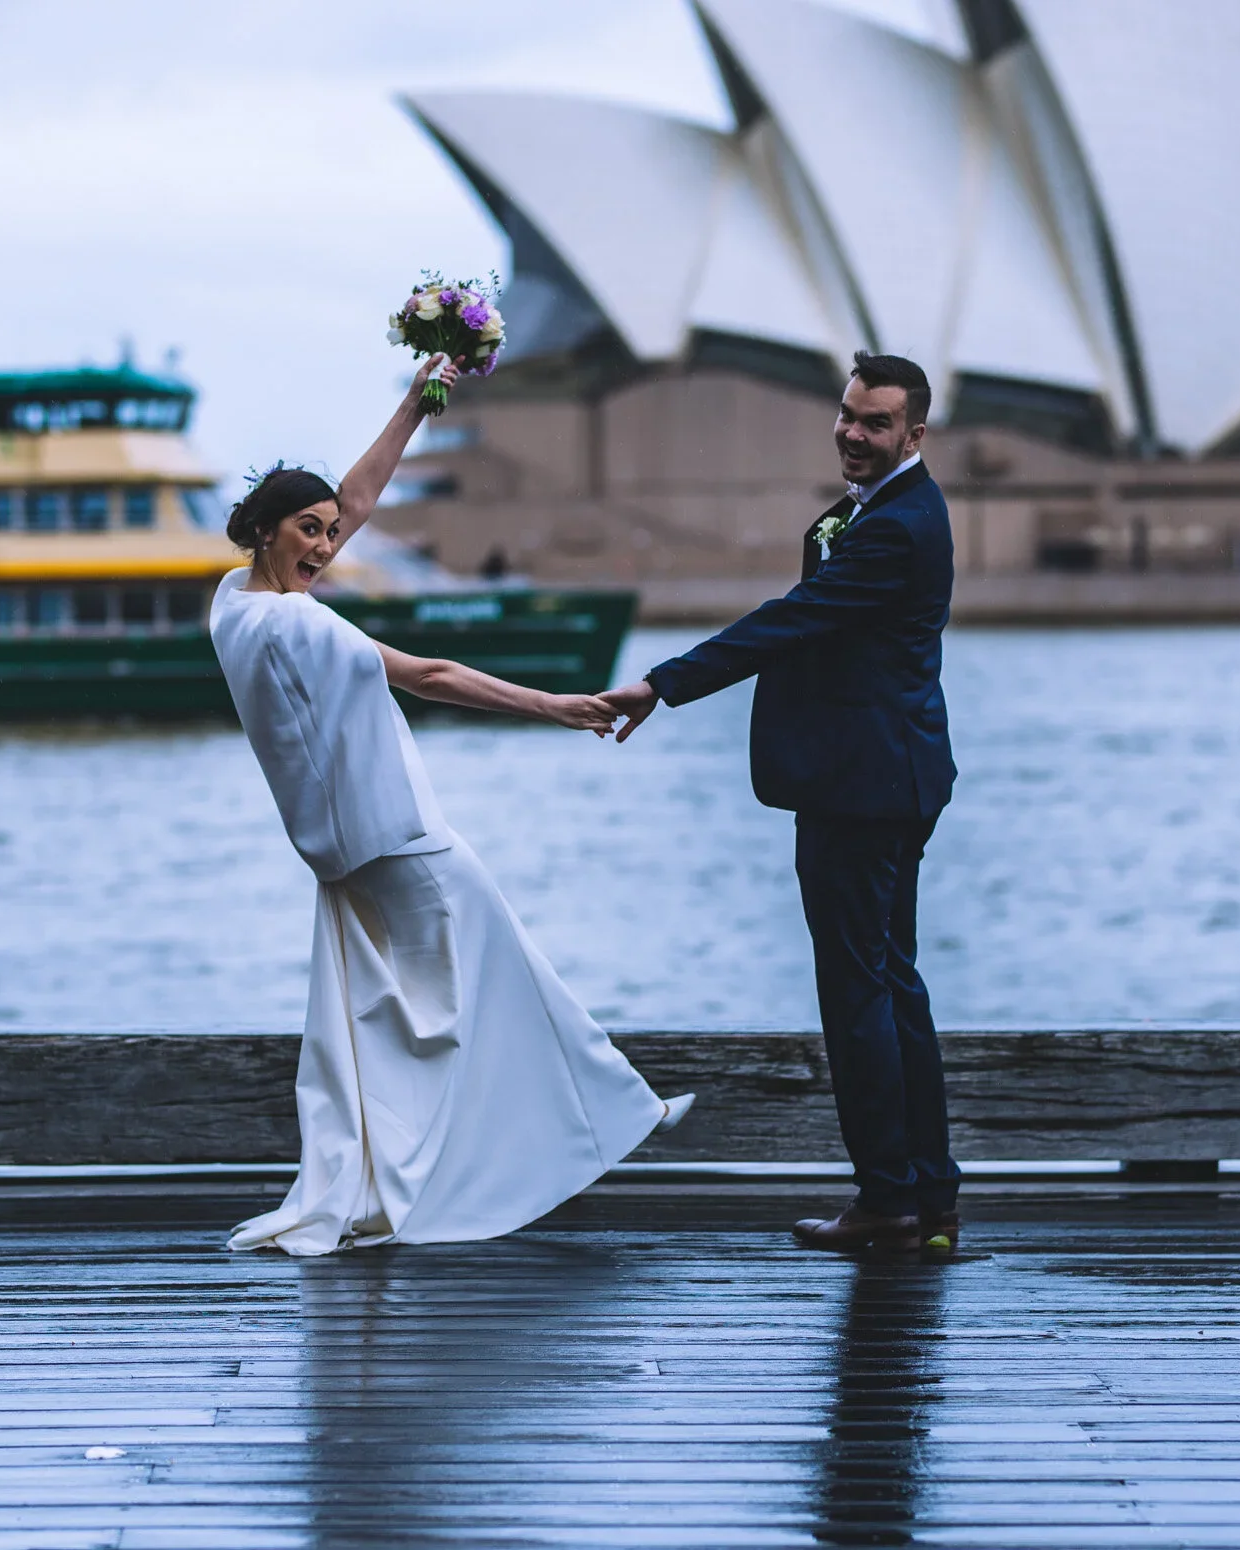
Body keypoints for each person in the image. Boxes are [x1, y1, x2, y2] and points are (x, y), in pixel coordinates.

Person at [210, 353, 693, 1255]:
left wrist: (416, 401)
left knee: (403, 1016)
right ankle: (607, 1118)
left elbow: (351, 500)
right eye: (307, 533)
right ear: (267, 531)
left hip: (338, 847)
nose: (325, 546)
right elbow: (429, 675)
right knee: (501, 974)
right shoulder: (302, 622)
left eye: (327, 532)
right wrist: (554, 705)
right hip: (396, 833)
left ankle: (407, 1166)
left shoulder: (234, 602)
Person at [604, 351, 959, 1256]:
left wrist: (662, 684)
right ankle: (926, 1198)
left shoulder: (896, 527)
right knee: (891, 981)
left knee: (858, 992)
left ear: (914, 435)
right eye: (847, 414)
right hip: (890, 777)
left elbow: (792, 618)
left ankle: (888, 1201)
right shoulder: (880, 511)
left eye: (875, 423)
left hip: (862, 786)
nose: (852, 431)